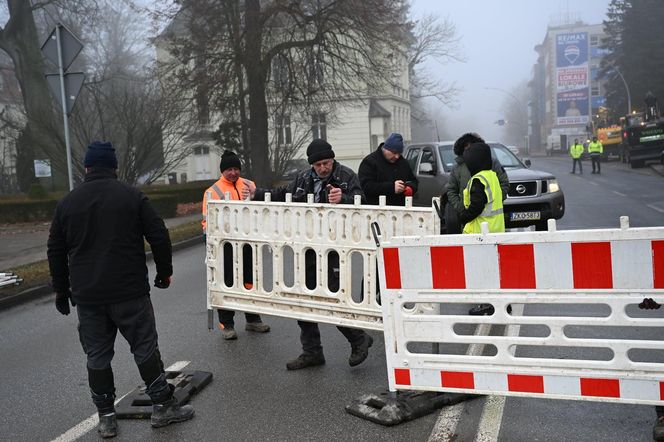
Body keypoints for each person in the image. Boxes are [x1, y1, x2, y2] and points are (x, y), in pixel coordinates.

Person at [47, 141, 194, 438]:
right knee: (144, 347)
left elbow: (55, 249)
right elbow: (159, 235)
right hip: (129, 292)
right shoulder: (132, 197)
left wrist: (62, 291)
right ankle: (163, 408)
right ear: (114, 168)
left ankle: (107, 418)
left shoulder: (68, 203)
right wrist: (164, 272)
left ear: (86, 168)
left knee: (97, 356)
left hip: (88, 297)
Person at [252, 139, 373, 370]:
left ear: (333, 159)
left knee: (332, 295)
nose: (323, 168)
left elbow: (364, 205)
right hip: (305, 246)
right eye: (318, 165)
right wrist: (258, 193)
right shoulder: (303, 178)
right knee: (303, 298)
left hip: (336, 248)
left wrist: (344, 200)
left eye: (326, 163)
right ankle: (312, 352)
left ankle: (358, 339)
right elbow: (282, 194)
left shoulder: (346, 176)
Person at [202, 150, 270, 340]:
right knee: (227, 284)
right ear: (222, 171)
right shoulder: (212, 191)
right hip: (225, 245)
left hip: (248, 243)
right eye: (229, 169)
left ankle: (253, 319)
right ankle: (227, 324)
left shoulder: (249, 185)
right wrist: (210, 242)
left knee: (250, 281)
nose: (233, 172)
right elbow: (207, 221)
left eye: (236, 168)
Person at [445, 133, 509, 235]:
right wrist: (460, 208)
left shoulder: (491, 164)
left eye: (471, 148)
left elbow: (503, 184)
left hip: (480, 222)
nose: (468, 151)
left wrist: (493, 200)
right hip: (471, 222)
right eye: (466, 148)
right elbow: (451, 190)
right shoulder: (457, 167)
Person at [358, 132, 418, 206]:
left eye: (399, 153)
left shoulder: (403, 163)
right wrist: (392, 187)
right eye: (394, 152)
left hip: (400, 210)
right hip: (376, 210)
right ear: (385, 148)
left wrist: (410, 188)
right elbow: (366, 186)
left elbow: (413, 181)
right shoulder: (369, 162)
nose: (397, 156)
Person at [458, 142, 505, 234]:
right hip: (496, 230)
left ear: (474, 161)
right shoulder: (492, 176)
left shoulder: (478, 180)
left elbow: (477, 206)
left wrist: (463, 217)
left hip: (479, 233)